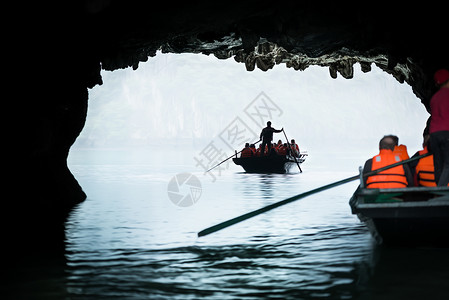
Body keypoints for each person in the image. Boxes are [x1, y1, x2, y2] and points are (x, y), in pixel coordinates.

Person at [429, 69, 449, 186]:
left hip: (434, 134)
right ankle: (441, 191)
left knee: (439, 165)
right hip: (446, 132)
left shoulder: (434, 98)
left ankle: (438, 192)